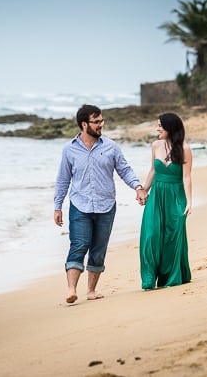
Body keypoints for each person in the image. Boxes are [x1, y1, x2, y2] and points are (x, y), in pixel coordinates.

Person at [54, 104, 147, 304]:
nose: (100, 125)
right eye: (96, 122)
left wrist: (138, 187)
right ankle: (71, 289)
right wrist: (57, 206)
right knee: (79, 245)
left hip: (106, 206)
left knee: (98, 248)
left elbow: (125, 170)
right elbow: (63, 180)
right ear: (84, 124)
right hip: (80, 204)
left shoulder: (111, 147)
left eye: (101, 121)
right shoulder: (69, 150)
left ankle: (91, 290)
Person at [138, 112, 192, 290]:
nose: (157, 129)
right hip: (157, 194)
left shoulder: (184, 148)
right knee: (151, 235)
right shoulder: (155, 145)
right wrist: (144, 190)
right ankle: (148, 278)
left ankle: (171, 277)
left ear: (170, 128)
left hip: (176, 196)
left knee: (172, 236)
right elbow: (153, 170)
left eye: (160, 125)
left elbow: (186, 177)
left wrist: (189, 202)